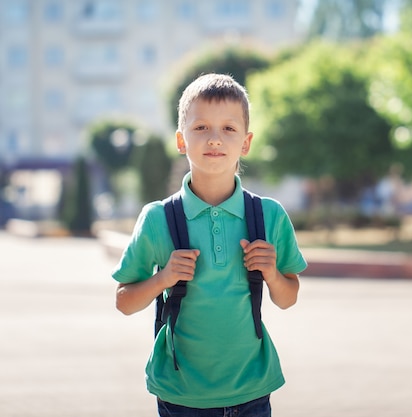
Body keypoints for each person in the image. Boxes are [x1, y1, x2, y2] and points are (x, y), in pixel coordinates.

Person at [112, 73, 307, 416]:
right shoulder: (158, 219)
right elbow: (124, 302)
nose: (215, 139)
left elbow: (288, 298)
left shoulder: (269, 215)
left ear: (245, 143)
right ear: (181, 140)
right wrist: (162, 279)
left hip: (252, 389)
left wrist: (273, 273)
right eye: (201, 127)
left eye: (228, 129)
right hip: (182, 394)